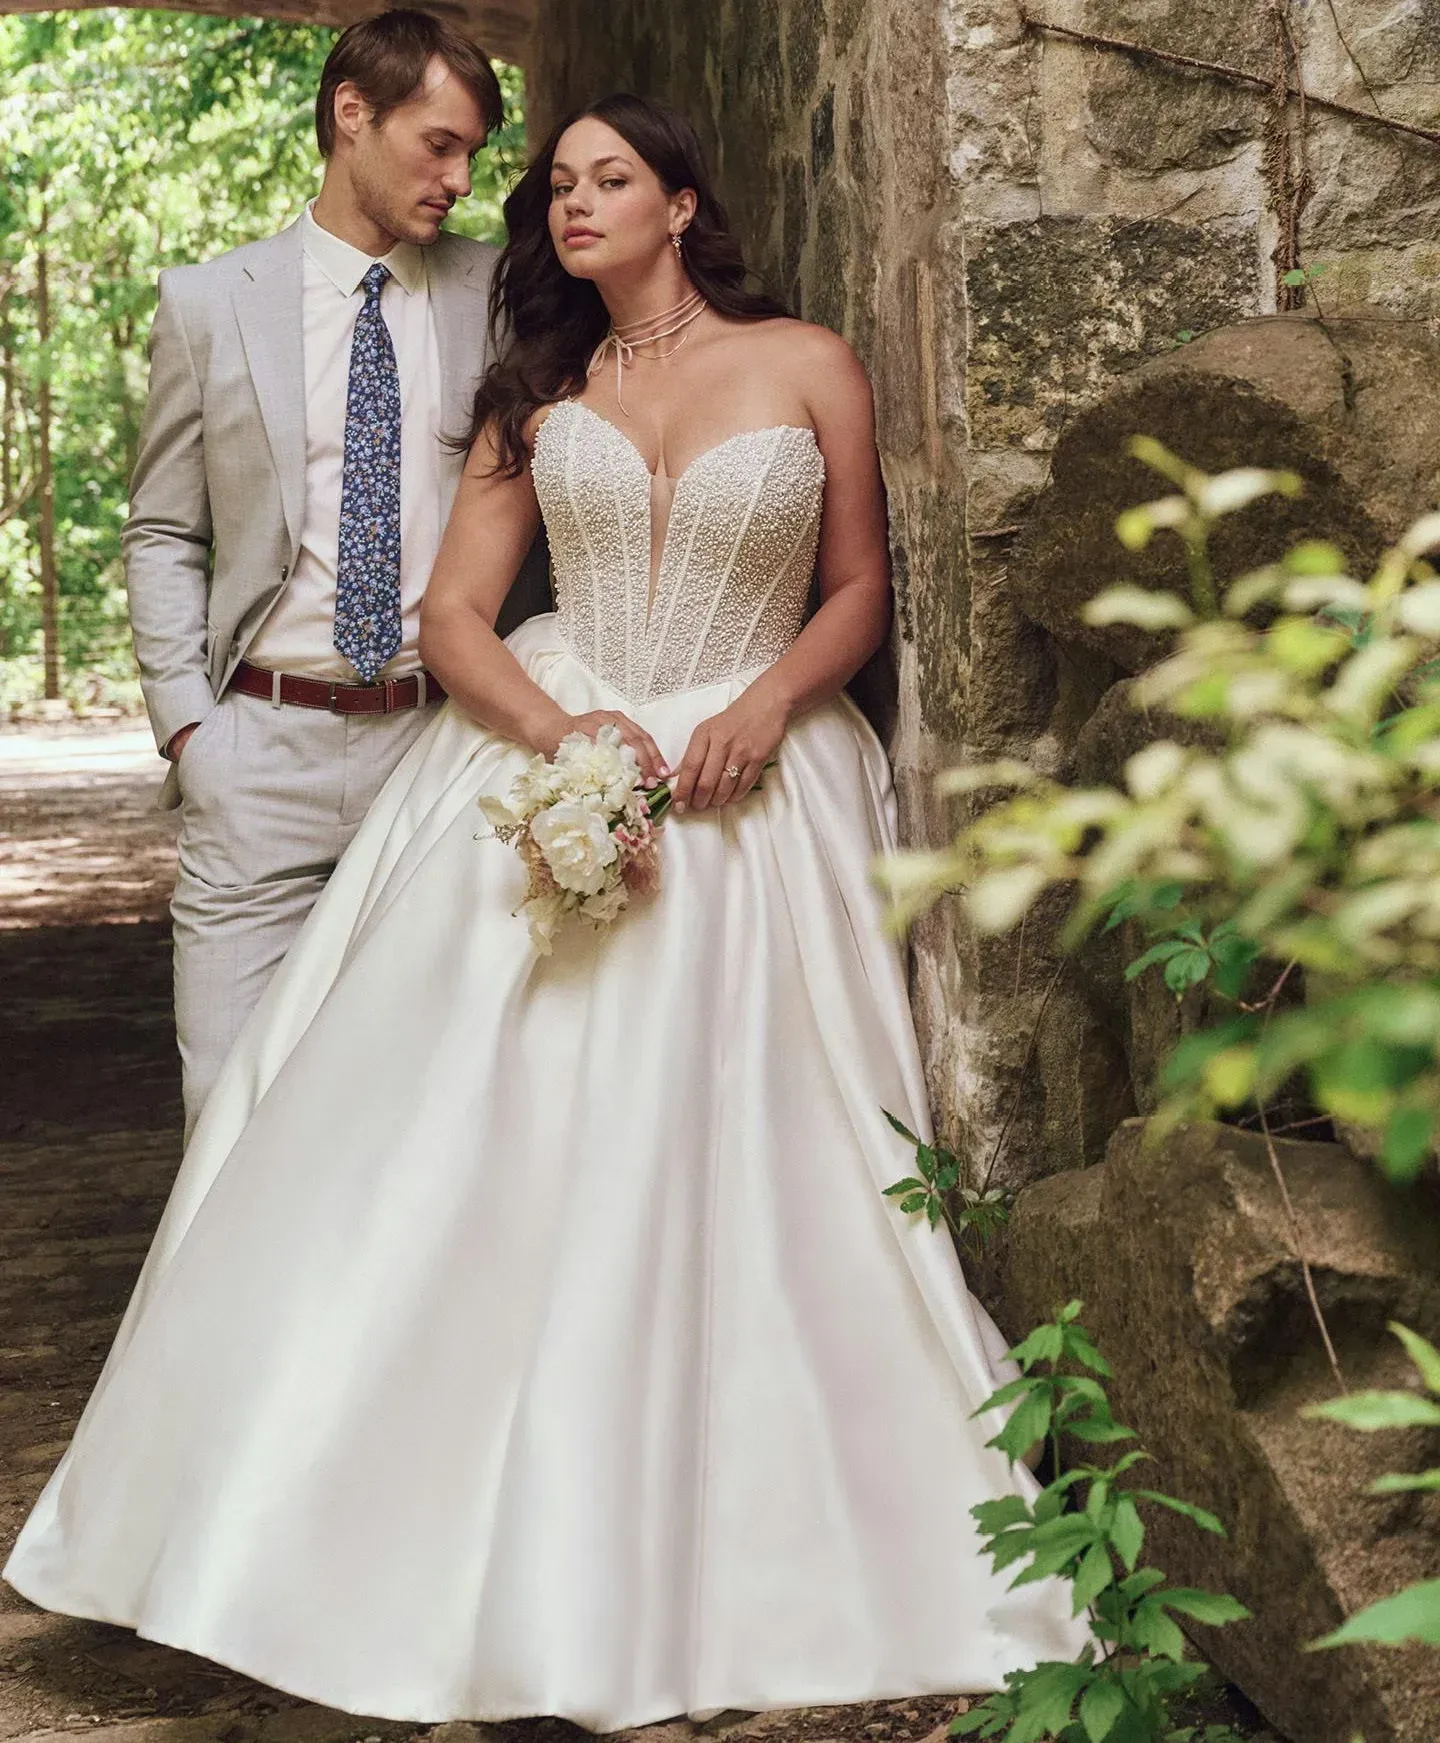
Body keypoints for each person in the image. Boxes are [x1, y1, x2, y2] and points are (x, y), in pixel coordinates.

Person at [5, 95, 1090, 1727]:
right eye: (558, 185)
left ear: (681, 203)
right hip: (563, 741)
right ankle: (369, 1530)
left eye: (609, 179)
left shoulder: (808, 363)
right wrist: (568, 731)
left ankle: (727, 1528)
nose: (574, 204)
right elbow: (455, 615)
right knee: (445, 1139)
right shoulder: (535, 395)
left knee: (747, 1151)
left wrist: (768, 703)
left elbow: (859, 585)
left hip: (755, 769)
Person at [125, 10, 515, 1137]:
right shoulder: (210, 303)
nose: (459, 179)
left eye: (472, 153)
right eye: (438, 145)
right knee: (227, 1104)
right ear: (353, 115)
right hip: (258, 752)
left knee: (418, 1110)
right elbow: (164, 528)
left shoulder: (497, 293)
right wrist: (189, 730)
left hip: (437, 749)